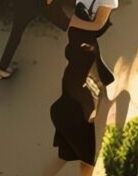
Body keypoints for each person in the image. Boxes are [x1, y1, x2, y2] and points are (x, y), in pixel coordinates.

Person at [48, 37, 100, 176]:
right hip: (72, 119)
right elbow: (90, 115)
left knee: (65, 156)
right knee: (89, 160)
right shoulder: (85, 78)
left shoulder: (71, 69)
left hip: (62, 112)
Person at [67, 0, 118, 87]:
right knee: (86, 52)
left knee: (81, 53)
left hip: (90, 26)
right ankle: (103, 78)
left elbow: (98, 25)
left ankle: (89, 79)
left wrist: (74, 22)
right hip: (81, 22)